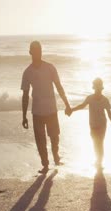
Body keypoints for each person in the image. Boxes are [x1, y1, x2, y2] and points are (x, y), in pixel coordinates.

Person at [21, 41, 72, 174]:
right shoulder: (27, 72)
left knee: (55, 136)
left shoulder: (50, 68)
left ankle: (56, 156)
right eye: (35, 50)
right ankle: (45, 164)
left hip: (51, 109)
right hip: (37, 111)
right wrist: (24, 116)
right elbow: (25, 95)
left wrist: (67, 104)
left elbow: (59, 87)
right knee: (40, 140)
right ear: (30, 52)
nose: (38, 52)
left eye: (40, 50)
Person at [67, 78, 111, 169]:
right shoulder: (90, 98)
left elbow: (109, 114)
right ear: (94, 87)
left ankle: (99, 162)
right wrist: (72, 110)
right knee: (95, 143)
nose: (98, 88)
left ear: (101, 88)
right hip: (93, 125)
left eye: (99, 86)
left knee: (101, 143)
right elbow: (82, 106)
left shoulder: (105, 100)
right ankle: (98, 160)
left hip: (102, 125)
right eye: (96, 86)